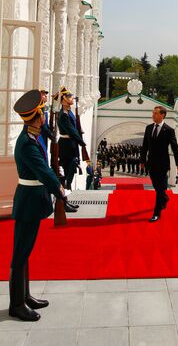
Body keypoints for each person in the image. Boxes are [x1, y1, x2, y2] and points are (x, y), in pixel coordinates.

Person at [9, 89, 67, 321]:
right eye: (41, 114)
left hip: (32, 199)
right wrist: (60, 190)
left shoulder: (31, 133)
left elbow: (48, 133)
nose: (43, 118)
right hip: (28, 201)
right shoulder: (27, 144)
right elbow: (43, 171)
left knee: (26, 250)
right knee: (20, 254)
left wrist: (47, 106)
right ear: (35, 118)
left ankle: (26, 295)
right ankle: (16, 304)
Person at [141, 106, 178, 222]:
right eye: (153, 113)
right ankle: (164, 197)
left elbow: (175, 148)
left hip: (163, 164)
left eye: (155, 113)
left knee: (159, 188)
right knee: (157, 186)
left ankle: (156, 213)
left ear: (162, 115)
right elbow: (145, 146)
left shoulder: (169, 130)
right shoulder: (148, 128)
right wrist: (142, 160)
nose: (153, 115)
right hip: (151, 163)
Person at [57, 86, 86, 190]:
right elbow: (71, 130)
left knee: (72, 169)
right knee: (67, 169)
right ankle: (65, 192)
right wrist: (81, 141)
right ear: (63, 99)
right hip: (66, 145)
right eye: (69, 96)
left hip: (71, 143)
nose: (71, 98)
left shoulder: (69, 112)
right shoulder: (63, 115)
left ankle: (67, 191)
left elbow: (75, 127)